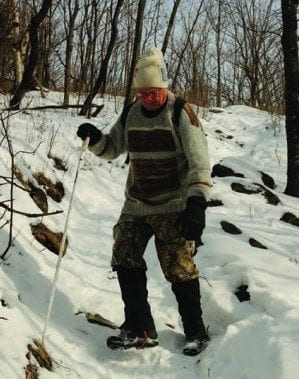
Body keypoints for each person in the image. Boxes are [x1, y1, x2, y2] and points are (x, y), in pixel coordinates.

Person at [76, 47, 212, 356]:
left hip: (174, 202)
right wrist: (95, 138)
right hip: (137, 202)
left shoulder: (180, 112)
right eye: (143, 93)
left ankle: (196, 330)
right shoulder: (131, 113)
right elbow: (112, 148)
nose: (148, 98)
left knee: (178, 265)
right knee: (124, 253)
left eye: (154, 92)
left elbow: (199, 162)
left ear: (164, 87)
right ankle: (140, 329)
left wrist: (197, 204)